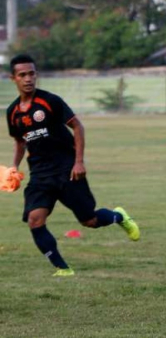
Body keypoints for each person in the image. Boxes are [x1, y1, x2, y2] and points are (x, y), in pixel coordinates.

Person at [5, 54, 140, 277]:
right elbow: (20, 141)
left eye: (31, 73)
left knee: (90, 220)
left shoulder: (49, 101)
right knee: (34, 219)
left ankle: (118, 216)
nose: (28, 78)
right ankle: (63, 269)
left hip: (67, 168)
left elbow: (77, 127)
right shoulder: (13, 112)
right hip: (40, 174)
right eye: (22, 75)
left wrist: (78, 161)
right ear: (13, 79)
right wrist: (13, 167)